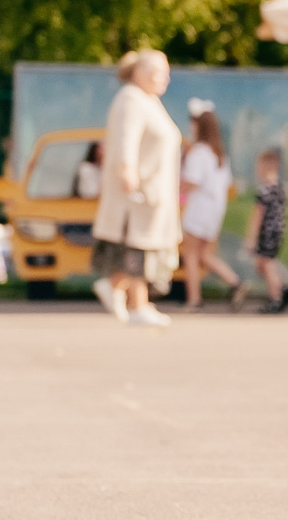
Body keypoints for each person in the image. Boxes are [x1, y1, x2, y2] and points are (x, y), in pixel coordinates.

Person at [90, 51, 182, 327]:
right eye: (159, 71)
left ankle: (124, 294)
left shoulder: (147, 100)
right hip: (140, 190)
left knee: (142, 245)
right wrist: (127, 169)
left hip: (152, 189)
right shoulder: (131, 99)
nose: (165, 77)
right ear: (140, 71)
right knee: (139, 246)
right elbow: (125, 137)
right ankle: (133, 300)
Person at [178, 100, 242, 311]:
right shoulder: (219, 155)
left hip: (199, 209)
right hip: (215, 210)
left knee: (191, 255)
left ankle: (194, 299)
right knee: (205, 254)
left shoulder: (198, 152)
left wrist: (171, 182)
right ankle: (235, 282)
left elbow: (192, 182)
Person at [245, 146, 288, 313]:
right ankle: (281, 288)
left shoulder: (264, 190)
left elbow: (257, 216)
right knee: (263, 264)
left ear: (264, 167)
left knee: (267, 265)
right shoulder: (279, 188)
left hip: (266, 233)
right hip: (277, 232)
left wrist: (251, 238)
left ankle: (276, 297)